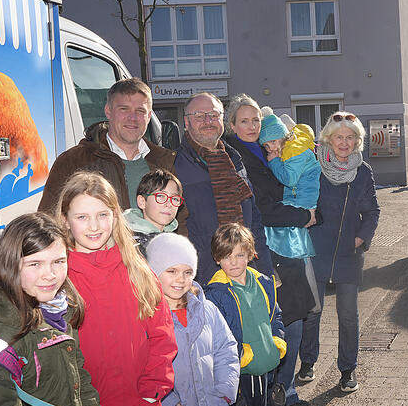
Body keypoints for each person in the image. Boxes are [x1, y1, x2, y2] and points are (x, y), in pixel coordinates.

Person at [0, 213, 108, 406]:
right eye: (35, 264)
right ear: (10, 265)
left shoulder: (58, 311)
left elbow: (83, 391)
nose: (50, 274)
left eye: (59, 261)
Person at [57, 171, 178, 406]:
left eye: (102, 215)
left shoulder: (137, 270)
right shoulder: (58, 280)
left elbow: (163, 337)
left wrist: (152, 390)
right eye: (82, 217)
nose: (94, 226)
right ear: (66, 221)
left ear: (115, 216)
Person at [223, 94, 316, 406]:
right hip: (264, 249)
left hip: (281, 246)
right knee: (283, 321)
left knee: (294, 317)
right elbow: (262, 208)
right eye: (244, 121)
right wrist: (303, 216)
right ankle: (280, 391)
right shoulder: (236, 156)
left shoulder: (263, 150)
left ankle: (282, 387)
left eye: (255, 120)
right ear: (232, 125)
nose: (251, 126)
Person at [299, 112, 380, 393]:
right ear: (328, 139)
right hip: (315, 250)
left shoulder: (363, 171)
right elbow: (299, 200)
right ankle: (307, 361)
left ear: (357, 141)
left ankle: (347, 369)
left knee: (348, 315)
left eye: (350, 137)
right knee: (312, 311)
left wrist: (360, 239)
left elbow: (372, 211)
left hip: (348, 253)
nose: (344, 143)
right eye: (338, 137)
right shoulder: (312, 167)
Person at [174, 92, 274, 284]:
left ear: (222, 120)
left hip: (246, 275)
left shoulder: (234, 161)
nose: (208, 121)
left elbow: (254, 223)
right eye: (199, 116)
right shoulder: (175, 166)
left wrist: (265, 272)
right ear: (186, 122)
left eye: (213, 115)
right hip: (204, 281)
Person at [146, 233, 240, 406]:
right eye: (171, 271)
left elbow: (226, 349)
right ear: (154, 272)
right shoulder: (146, 317)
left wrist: (224, 389)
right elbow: (139, 368)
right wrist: (168, 404)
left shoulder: (207, 310)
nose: (180, 279)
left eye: (187, 272)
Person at [39, 77, 177, 212]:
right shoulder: (73, 162)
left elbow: (180, 221)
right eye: (124, 109)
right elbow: (49, 223)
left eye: (140, 111)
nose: (132, 118)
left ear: (149, 117)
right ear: (108, 111)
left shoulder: (165, 161)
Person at [205, 223, 286, 406]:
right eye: (226, 257)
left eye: (239, 255)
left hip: (268, 361)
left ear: (250, 254)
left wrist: (277, 341)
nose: (233, 262)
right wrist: (242, 355)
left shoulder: (263, 283)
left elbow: (274, 315)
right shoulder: (216, 293)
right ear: (217, 258)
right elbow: (217, 335)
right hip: (244, 367)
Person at [259, 106, 321, 260]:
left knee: (290, 236)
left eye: (273, 142)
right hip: (298, 197)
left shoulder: (295, 151)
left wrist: (273, 162)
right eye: (266, 145)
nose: (271, 148)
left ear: (283, 136)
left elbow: (289, 179)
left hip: (302, 200)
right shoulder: (289, 148)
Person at [123, 169, 182, 256]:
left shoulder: (176, 243)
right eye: (161, 196)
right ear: (142, 201)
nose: (169, 204)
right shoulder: (130, 244)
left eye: (175, 199)